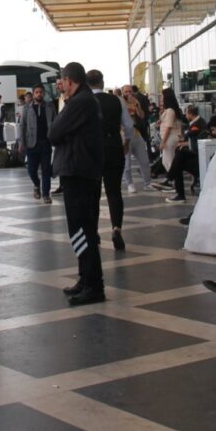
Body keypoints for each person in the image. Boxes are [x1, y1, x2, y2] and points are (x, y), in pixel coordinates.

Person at [49, 62, 105, 306]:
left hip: (78, 172)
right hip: (83, 171)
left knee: (81, 231)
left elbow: (54, 132)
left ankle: (92, 285)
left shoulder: (79, 102)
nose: (62, 87)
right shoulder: (86, 101)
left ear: (69, 81)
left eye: (64, 83)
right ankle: (86, 278)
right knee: (85, 230)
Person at [88, 69, 131, 251]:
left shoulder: (85, 102)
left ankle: (94, 232)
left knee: (93, 193)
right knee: (114, 191)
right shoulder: (117, 100)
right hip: (114, 145)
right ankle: (116, 228)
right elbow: (128, 125)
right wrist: (126, 142)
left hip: (93, 149)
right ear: (102, 82)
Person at [17, 82, 57, 203]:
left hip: (46, 143)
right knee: (31, 170)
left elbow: (55, 123)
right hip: (31, 144)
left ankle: (46, 194)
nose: (39, 94)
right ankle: (36, 184)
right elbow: (22, 126)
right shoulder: (27, 108)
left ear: (44, 93)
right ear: (33, 94)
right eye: (37, 92)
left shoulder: (50, 107)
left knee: (46, 170)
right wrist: (21, 143)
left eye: (41, 92)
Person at [121, 85, 154, 193]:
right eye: (126, 91)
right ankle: (129, 183)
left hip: (136, 133)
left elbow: (142, 115)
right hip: (126, 135)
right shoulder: (121, 103)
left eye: (130, 91)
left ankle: (147, 183)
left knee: (144, 160)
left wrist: (136, 105)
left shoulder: (136, 101)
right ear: (123, 92)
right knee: (127, 162)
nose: (128, 93)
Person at [157, 88, 183, 201]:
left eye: (162, 96)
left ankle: (173, 183)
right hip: (169, 138)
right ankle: (172, 182)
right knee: (167, 161)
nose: (161, 98)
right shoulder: (169, 110)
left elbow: (168, 127)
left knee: (170, 162)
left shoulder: (171, 111)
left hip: (170, 139)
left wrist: (163, 142)